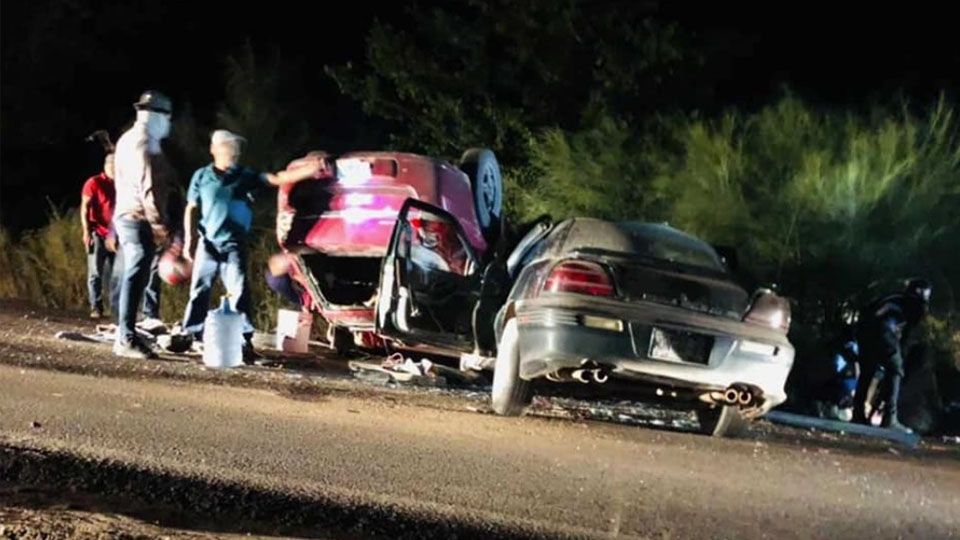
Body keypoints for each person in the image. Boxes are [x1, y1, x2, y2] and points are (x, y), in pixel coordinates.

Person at [180, 130, 324, 360]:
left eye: (236, 150)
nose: (235, 153)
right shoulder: (201, 176)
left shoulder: (243, 175)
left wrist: (308, 170)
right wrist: (189, 240)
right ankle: (190, 333)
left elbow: (276, 179)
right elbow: (191, 208)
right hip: (207, 243)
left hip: (233, 243)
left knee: (238, 290)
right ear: (215, 149)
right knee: (200, 288)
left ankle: (243, 340)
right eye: (230, 148)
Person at [112, 90, 176, 359]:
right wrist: (159, 225)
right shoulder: (145, 144)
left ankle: (127, 332)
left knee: (133, 273)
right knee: (136, 272)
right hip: (138, 218)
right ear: (158, 117)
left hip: (125, 214)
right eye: (167, 118)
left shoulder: (127, 139)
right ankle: (125, 337)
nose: (169, 124)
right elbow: (148, 189)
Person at [852, 278, 932, 432]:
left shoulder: (895, 298)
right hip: (881, 332)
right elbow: (902, 335)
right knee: (895, 370)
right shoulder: (912, 306)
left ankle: (858, 414)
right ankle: (890, 418)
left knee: (868, 372)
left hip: (866, 332)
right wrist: (898, 358)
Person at [81, 153, 121, 319]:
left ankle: (116, 307)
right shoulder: (94, 183)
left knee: (116, 273)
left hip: (116, 234)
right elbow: (85, 207)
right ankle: (96, 306)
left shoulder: (121, 184)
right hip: (97, 231)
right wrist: (86, 231)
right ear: (107, 165)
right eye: (113, 165)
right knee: (95, 271)